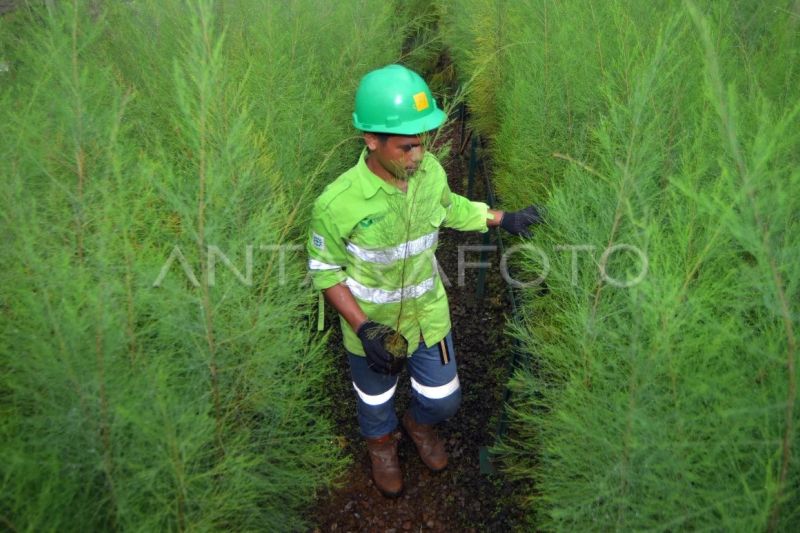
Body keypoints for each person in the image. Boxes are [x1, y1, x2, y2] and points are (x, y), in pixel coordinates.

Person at [306, 64, 543, 497]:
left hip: (428, 316)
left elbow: (448, 207)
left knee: (443, 401)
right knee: (374, 404)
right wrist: (364, 327)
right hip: (372, 329)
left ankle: (419, 424)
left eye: (423, 143)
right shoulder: (336, 203)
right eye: (406, 147)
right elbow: (325, 271)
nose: (418, 157)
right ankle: (381, 448)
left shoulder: (429, 172)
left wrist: (500, 217)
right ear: (371, 141)